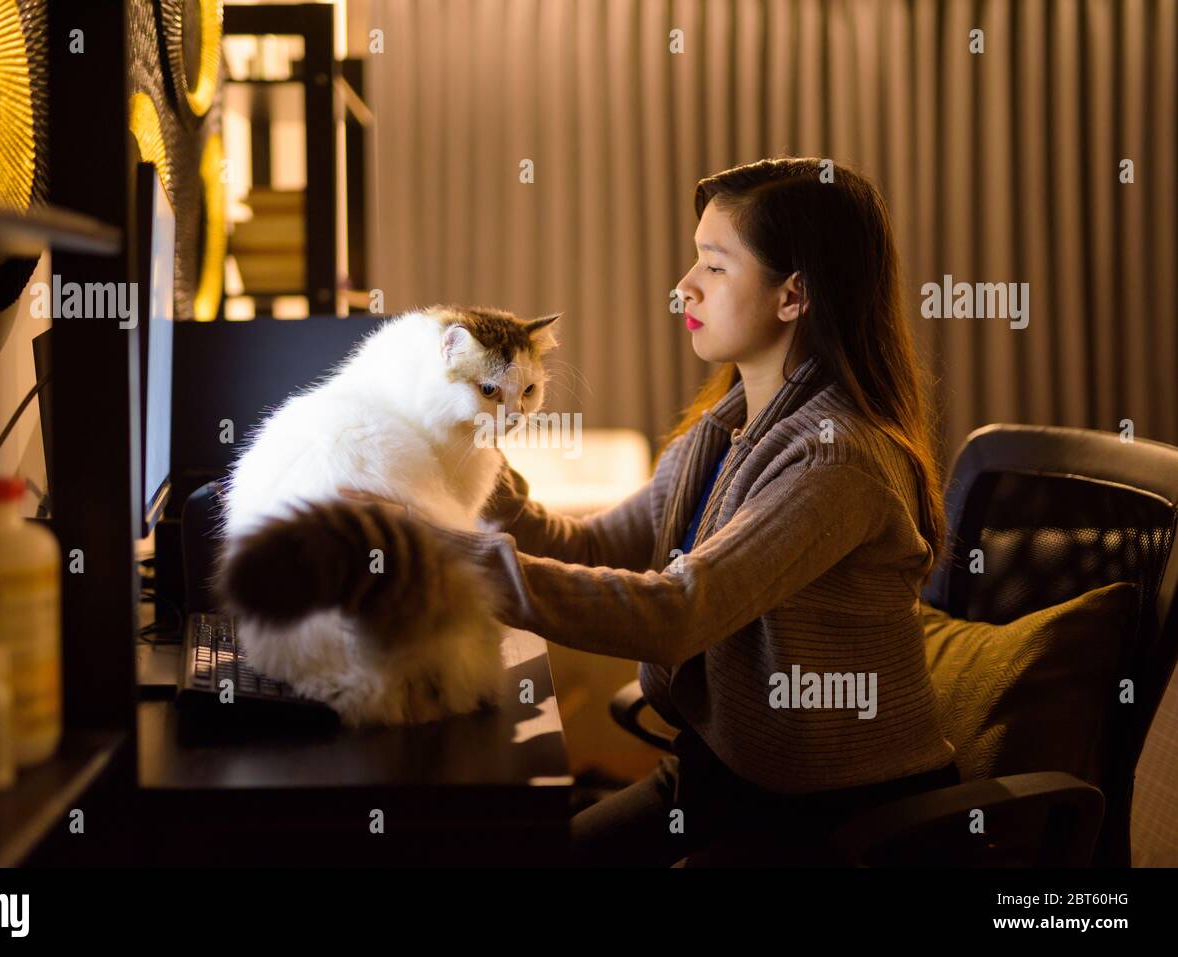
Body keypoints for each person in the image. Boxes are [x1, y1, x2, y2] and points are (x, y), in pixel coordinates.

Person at [355, 157, 960, 866]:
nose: (684, 287)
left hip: (828, 814)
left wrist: (434, 552)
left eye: (715, 266)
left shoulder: (836, 461)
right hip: (720, 776)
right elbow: (590, 548)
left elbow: (678, 612)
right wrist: (463, 444)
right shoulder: (722, 430)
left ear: (793, 294)